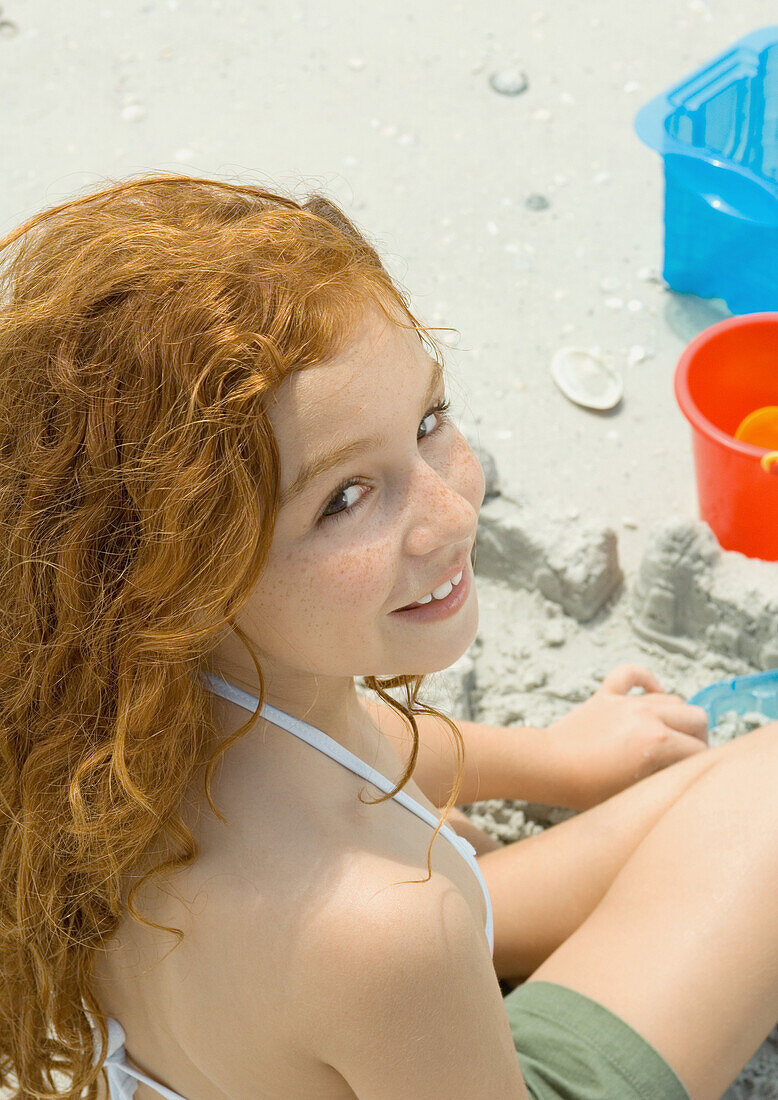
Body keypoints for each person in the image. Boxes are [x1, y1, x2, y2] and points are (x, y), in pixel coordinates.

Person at [0, 173, 776, 1100]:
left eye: (428, 421)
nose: (451, 513)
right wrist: (432, 949)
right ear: (185, 574)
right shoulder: (395, 933)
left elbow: (348, 750)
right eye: (345, 498)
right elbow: (393, 923)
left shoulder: (103, 722)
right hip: (409, 1015)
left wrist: (558, 761)